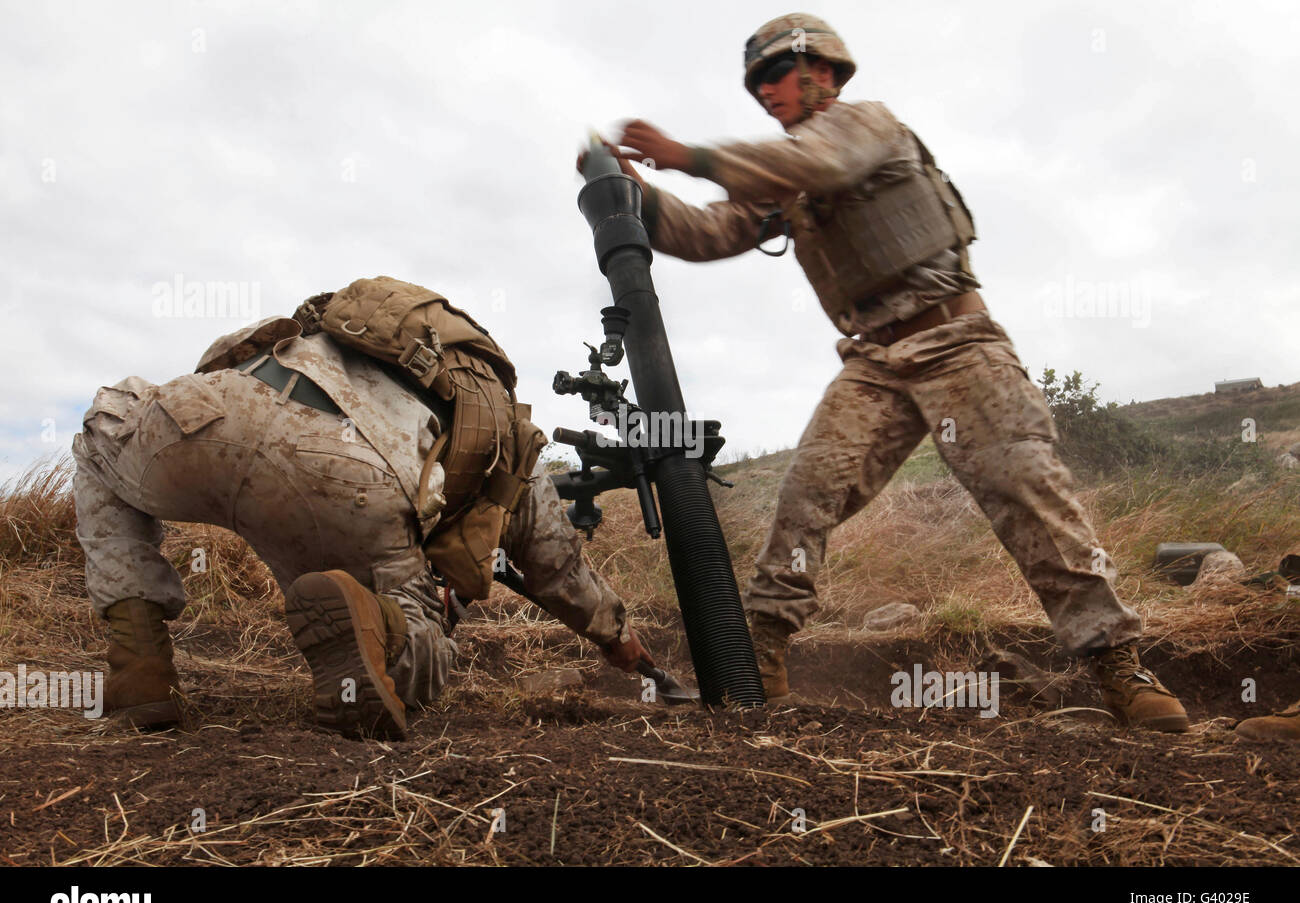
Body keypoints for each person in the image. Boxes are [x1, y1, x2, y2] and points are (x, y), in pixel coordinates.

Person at [598, 12, 1188, 731]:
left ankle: (1121, 671)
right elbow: (710, 232)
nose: (767, 93)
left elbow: (819, 165)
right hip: (875, 360)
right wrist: (637, 195)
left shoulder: (865, 127)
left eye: (778, 75)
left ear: (824, 72)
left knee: (1029, 498)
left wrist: (686, 153)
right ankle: (759, 660)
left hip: (957, 340)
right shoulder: (780, 177)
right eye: (758, 84)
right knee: (806, 497)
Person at [72, 276, 652, 739]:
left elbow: (217, 361)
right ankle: (385, 628)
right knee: (419, 653)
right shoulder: (506, 434)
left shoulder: (327, 336)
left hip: (211, 414)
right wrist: (616, 635)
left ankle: (139, 665)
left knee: (98, 438)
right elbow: (558, 566)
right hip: (350, 480)